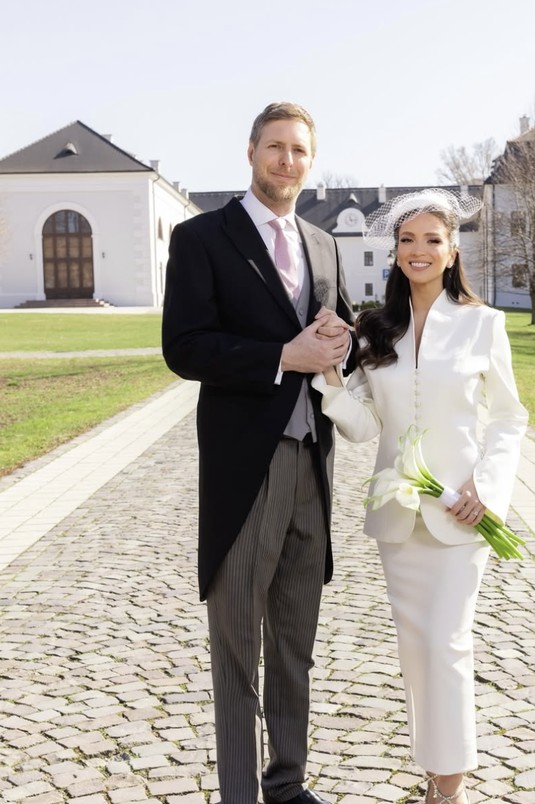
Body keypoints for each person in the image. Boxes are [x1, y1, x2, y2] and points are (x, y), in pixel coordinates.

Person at [162, 102, 355, 804]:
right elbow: (183, 348)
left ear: (311, 160)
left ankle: (287, 783)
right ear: (251, 153)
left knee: (296, 644)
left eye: (299, 151)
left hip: (314, 465)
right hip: (248, 469)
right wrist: (281, 355)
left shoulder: (323, 243)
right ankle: (240, 794)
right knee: (238, 647)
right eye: (275, 148)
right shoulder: (202, 237)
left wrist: (341, 340)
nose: (287, 161)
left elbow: (345, 328)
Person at [312, 189, 528, 804]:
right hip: (397, 518)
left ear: (452, 248)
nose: (419, 250)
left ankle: (451, 787)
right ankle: (434, 771)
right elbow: (361, 426)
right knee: (415, 648)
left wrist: (484, 489)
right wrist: (332, 378)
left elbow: (511, 419)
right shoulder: (375, 329)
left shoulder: (484, 324)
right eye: (408, 240)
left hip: (462, 514)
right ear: (395, 251)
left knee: (447, 641)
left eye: (433, 240)